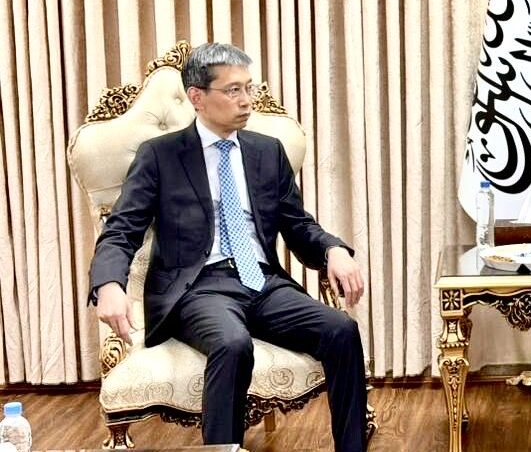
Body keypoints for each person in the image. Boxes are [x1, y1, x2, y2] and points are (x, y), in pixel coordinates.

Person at [89, 42, 368, 452]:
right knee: (232, 342)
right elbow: (121, 229)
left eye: (248, 88)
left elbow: (297, 225)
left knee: (341, 330)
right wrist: (109, 284)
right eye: (233, 90)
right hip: (198, 288)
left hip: (262, 282)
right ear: (197, 97)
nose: (246, 100)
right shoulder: (161, 156)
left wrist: (333, 251)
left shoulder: (267, 152)